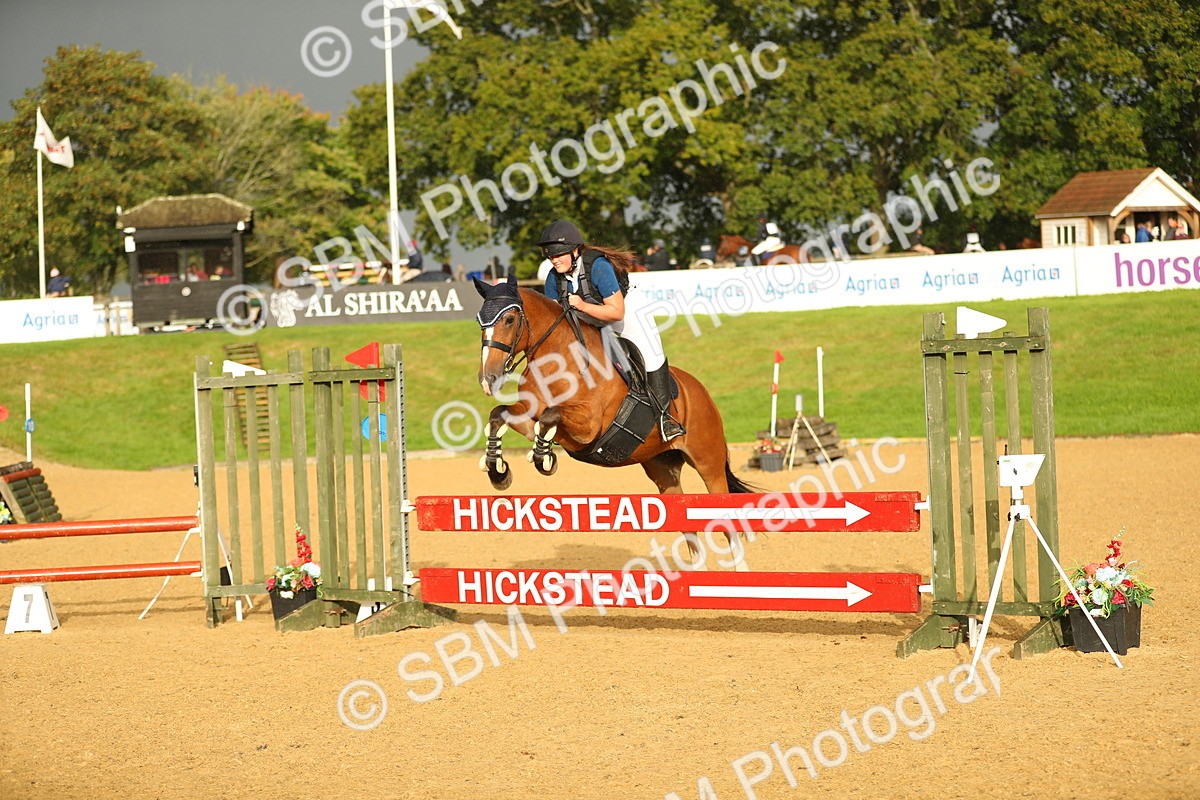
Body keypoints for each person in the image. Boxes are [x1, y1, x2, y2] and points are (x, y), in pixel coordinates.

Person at [538, 219, 684, 440]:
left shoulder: (598, 266)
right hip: (586, 317)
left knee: (650, 355)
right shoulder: (553, 277)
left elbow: (616, 312)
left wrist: (582, 305)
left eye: (558, 254)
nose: (553, 260)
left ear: (575, 251)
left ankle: (665, 418)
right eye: (550, 255)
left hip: (626, 311)